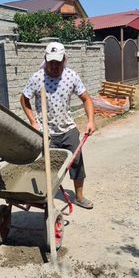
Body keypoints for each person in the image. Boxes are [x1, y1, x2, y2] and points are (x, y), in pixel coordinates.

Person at [20, 41, 95, 209]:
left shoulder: (71, 76)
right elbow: (24, 98)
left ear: (64, 60)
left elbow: (86, 99)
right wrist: (33, 122)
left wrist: (91, 120)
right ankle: (47, 197)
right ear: (45, 59)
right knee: (49, 166)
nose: (54, 66)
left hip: (68, 129)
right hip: (46, 132)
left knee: (76, 162)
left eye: (58, 62)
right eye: (51, 62)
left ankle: (79, 196)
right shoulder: (37, 78)